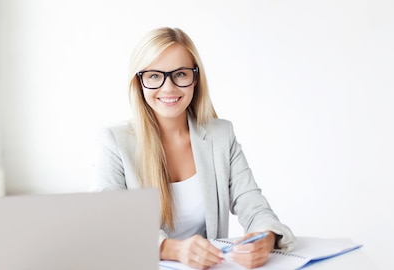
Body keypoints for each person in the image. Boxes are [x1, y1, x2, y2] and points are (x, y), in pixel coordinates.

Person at [93, 27, 295, 269]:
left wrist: (266, 238)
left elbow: (253, 205)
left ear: (195, 78)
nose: (168, 88)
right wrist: (173, 249)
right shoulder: (114, 141)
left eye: (180, 74)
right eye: (155, 76)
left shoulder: (221, 135)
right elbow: (109, 224)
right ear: (139, 82)